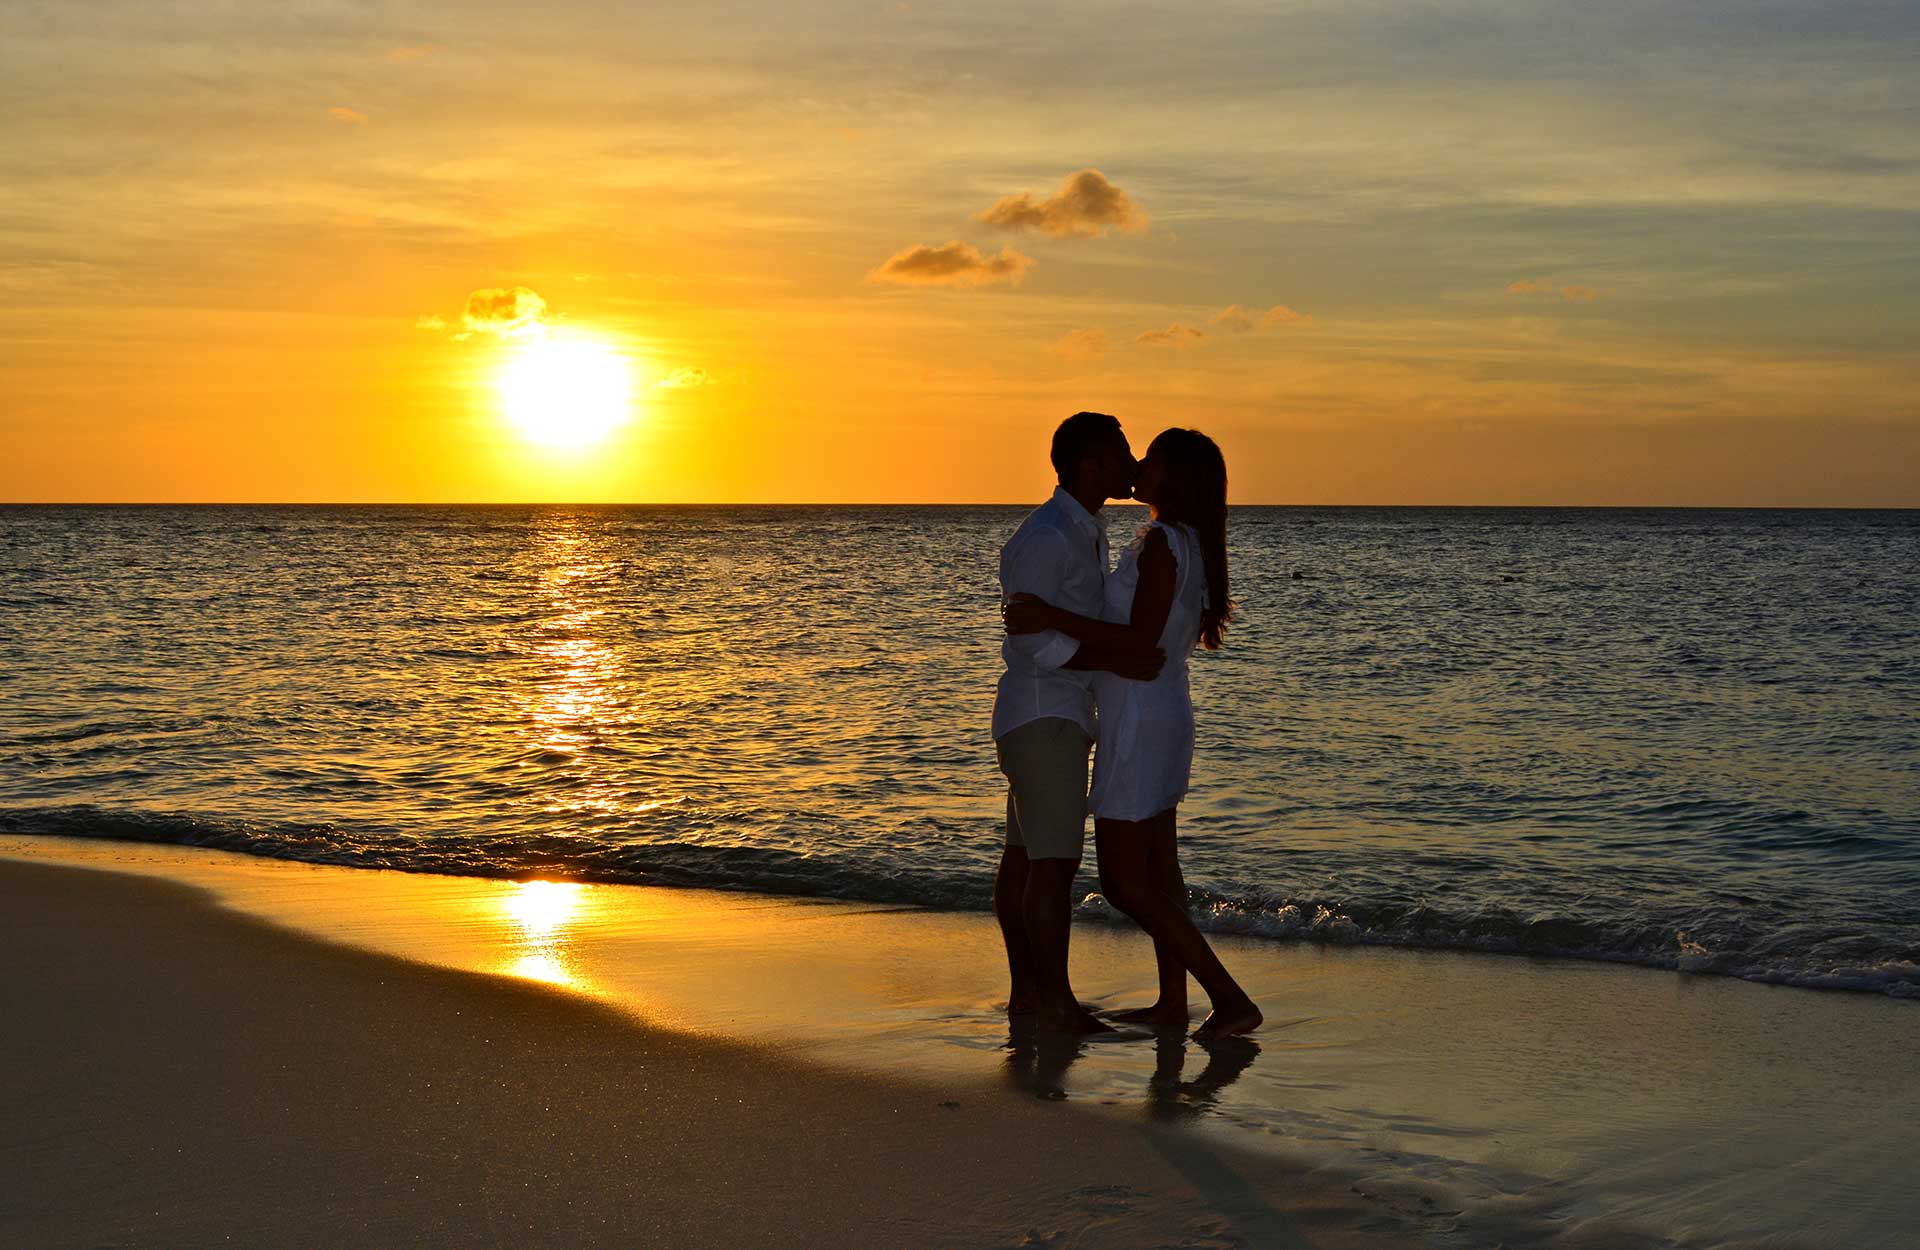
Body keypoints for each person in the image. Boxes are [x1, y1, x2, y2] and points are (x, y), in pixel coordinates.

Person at [1005, 428, 1261, 1041]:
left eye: (1152, 458)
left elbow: (1139, 640)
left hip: (1139, 719)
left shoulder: (1160, 544)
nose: (1139, 464)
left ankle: (1229, 1000)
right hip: (1161, 710)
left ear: (1174, 479)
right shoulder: (1188, 541)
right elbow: (1143, 638)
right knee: (1160, 871)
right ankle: (1172, 1001)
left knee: (1124, 882)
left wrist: (1048, 615)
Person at [992, 412, 1163, 1034]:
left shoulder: (1080, 528)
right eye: (1122, 454)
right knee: (1053, 865)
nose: (1131, 462)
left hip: (1051, 714)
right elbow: (1030, 641)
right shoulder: (1049, 536)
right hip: (1046, 714)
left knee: (1026, 859)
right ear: (1092, 464)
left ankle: (1029, 997)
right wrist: (1114, 653)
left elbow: (1048, 626)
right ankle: (1055, 1002)